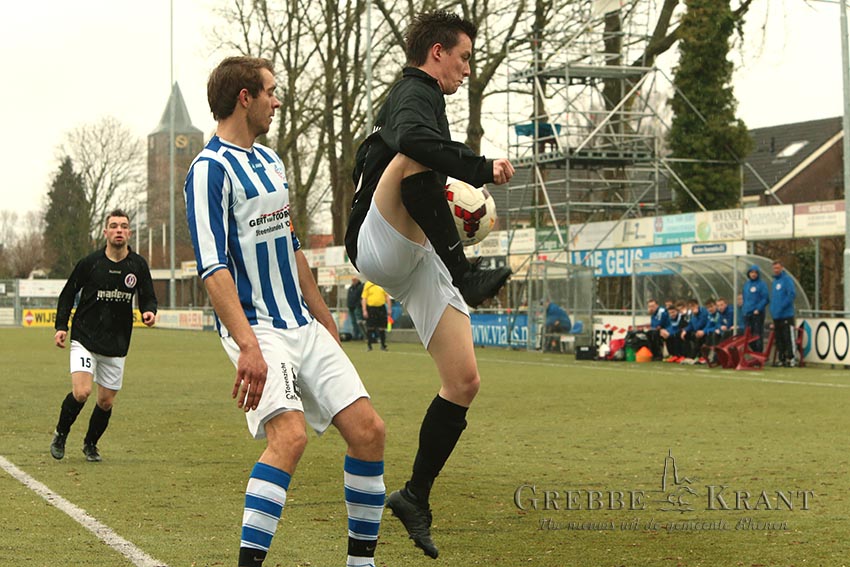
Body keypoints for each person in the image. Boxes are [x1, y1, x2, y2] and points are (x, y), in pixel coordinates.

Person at [184, 56, 385, 567]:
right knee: (289, 438)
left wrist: (324, 317)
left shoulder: (271, 162)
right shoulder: (208, 171)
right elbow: (213, 269)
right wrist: (247, 346)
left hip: (302, 323)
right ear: (244, 98)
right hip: (258, 330)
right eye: (270, 92)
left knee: (369, 432)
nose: (277, 102)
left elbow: (292, 247)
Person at [343, 11, 515, 559]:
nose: (467, 69)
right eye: (463, 57)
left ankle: (415, 495)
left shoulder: (427, 102)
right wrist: (479, 168)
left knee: (463, 381)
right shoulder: (413, 90)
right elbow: (414, 144)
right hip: (375, 239)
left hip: (413, 254)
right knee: (415, 150)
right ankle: (465, 273)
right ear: (436, 53)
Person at [49, 209, 157, 463]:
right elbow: (68, 294)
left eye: (123, 226)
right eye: (114, 226)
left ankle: (90, 444)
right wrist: (61, 326)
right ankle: (60, 434)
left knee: (106, 402)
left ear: (129, 233)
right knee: (82, 392)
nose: (119, 230)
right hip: (85, 338)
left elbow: (148, 296)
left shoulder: (138, 265)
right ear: (106, 232)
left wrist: (149, 311)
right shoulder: (90, 263)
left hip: (116, 343)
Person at [770, 260, 798, 367]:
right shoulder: (775, 282)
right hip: (777, 316)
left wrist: (782, 307)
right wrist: (774, 310)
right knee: (779, 339)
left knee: (788, 338)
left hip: (786, 315)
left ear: (782, 268)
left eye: (777, 268)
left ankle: (792, 358)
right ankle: (782, 359)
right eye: (774, 268)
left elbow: (791, 295)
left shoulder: (787, 280)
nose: (776, 270)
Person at [742, 265, 769, 352]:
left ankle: (759, 353)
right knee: (748, 335)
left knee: (757, 335)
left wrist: (758, 309)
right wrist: (744, 310)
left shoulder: (762, 284)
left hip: (757, 314)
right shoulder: (746, 285)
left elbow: (765, 299)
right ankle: (754, 352)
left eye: (755, 272)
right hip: (747, 313)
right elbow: (745, 298)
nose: (753, 274)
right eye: (751, 272)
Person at [362, 280, 391, 351]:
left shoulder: (382, 283)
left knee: (382, 327)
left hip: (381, 308)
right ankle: (369, 346)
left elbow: (387, 297)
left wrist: (389, 308)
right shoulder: (368, 284)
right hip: (371, 308)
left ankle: (383, 345)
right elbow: (364, 298)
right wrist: (364, 310)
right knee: (370, 327)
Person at [347, 276, 365, 340]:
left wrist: (359, 304)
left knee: (359, 322)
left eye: (354, 280)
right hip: (351, 306)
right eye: (352, 280)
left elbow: (362, 297)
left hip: (357, 307)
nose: (353, 281)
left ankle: (362, 335)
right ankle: (355, 335)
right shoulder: (351, 288)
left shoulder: (361, 287)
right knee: (353, 322)